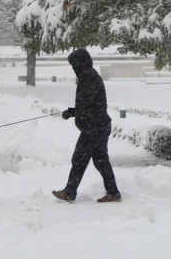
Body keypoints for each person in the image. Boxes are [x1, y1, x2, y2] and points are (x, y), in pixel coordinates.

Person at [52, 49, 121, 203]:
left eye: (73, 64)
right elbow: (89, 104)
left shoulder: (87, 76)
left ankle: (70, 192)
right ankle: (113, 192)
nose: (72, 68)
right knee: (100, 160)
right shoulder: (90, 74)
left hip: (94, 127)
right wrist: (73, 112)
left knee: (79, 159)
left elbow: (88, 104)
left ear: (79, 63)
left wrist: (74, 113)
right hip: (100, 124)